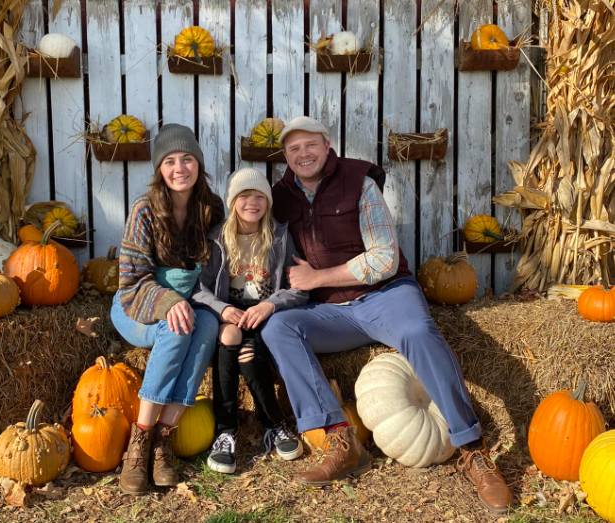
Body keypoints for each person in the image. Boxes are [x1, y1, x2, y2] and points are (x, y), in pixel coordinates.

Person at [261, 116, 512, 512]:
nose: (303, 154)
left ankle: (471, 448)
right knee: (278, 327)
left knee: (416, 331)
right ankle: (339, 440)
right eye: (293, 149)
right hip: (329, 310)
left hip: (384, 294)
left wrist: (317, 276)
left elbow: (383, 258)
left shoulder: (359, 182)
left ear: (327, 146)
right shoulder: (279, 196)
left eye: (310, 145)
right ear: (286, 157)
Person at [110, 124, 224, 495]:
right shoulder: (144, 211)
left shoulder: (211, 209)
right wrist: (169, 301)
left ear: (198, 163)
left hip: (189, 305)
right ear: (160, 168)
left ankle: (164, 439)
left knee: (206, 325)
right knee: (177, 328)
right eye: (171, 161)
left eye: (187, 159)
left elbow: (218, 269)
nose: (180, 168)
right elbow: (131, 282)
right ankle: (138, 442)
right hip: (136, 306)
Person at [190, 168, 308, 474]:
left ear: (268, 201)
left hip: (265, 314)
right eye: (244, 195)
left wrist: (270, 305)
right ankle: (225, 431)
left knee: (249, 353)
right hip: (231, 312)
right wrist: (220, 309)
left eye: (259, 196)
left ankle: (274, 424)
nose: (252, 202)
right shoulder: (217, 237)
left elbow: (299, 289)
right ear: (232, 201)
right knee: (229, 339)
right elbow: (197, 289)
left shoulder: (280, 237)